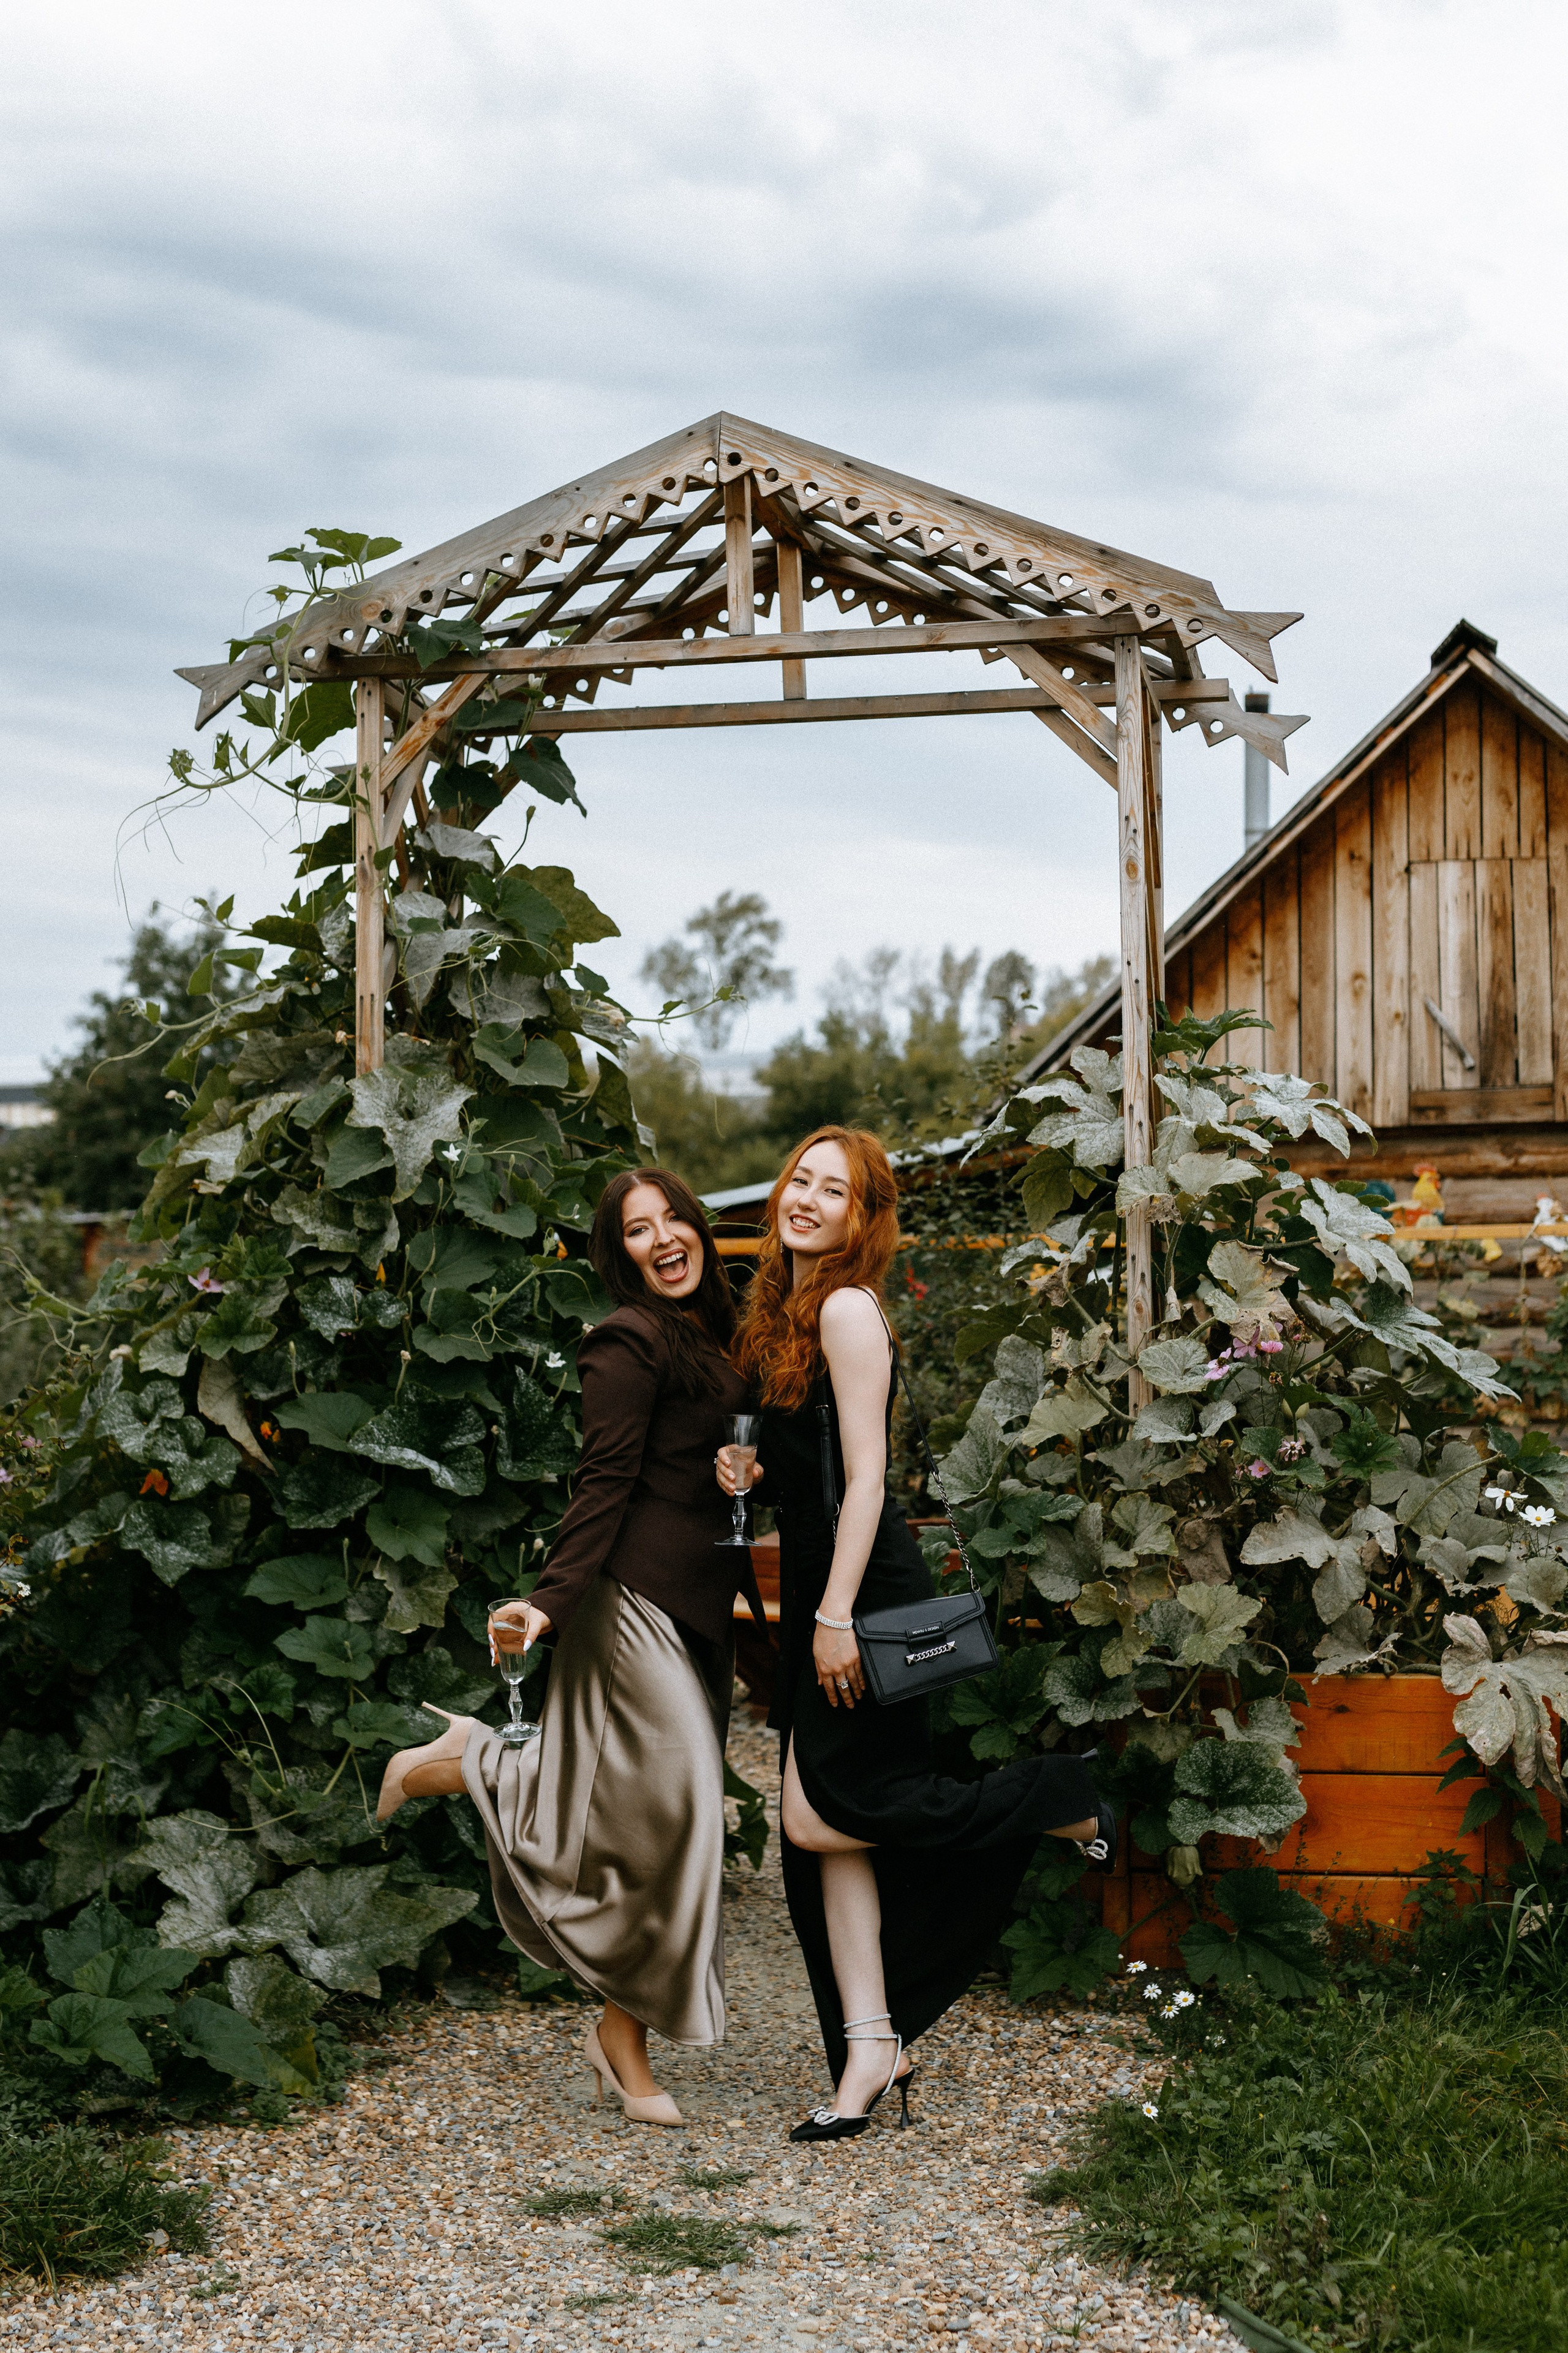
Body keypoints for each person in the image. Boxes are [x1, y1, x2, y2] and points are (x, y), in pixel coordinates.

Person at [722, 1125, 1110, 2143]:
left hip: (861, 1594)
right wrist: (748, 1470)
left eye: (833, 1190)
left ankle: (1052, 1796)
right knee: (818, 1827)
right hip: (830, 1587)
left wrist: (834, 1617)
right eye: (800, 1179)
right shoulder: (785, 1307)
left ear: (862, 1218)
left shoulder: (847, 1307)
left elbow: (867, 1480)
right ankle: (871, 2044)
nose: (806, 1199)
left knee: (834, 1815)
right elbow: (802, 1463)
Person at [377, 1166, 760, 2127]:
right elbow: (603, 1481)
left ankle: (618, 2036)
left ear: (699, 1226)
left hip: (697, 1605)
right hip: (628, 1602)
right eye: (638, 1229)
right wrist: (549, 1602)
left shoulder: (719, 1330)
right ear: (619, 1254)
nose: (663, 1238)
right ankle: (467, 1760)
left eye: (673, 1217)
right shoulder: (627, 1339)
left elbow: (732, 1464)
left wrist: (748, 1470)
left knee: (658, 1825)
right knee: (686, 1813)